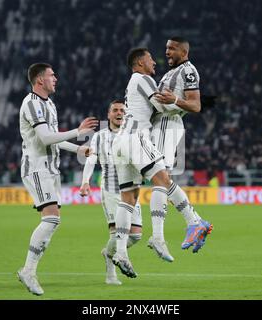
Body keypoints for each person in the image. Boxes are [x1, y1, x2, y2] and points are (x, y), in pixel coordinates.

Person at [111, 48, 211, 278]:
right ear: (138, 63)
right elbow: (162, 106)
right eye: (149, 59)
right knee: (162, 179)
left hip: (120, 142)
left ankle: (121, 253)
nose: (154, 62)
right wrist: (187, 103)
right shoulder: (143, 78)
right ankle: (161, 235)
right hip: (136, 137)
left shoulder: (135, 80)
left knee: (128, 198)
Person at [17, 62, 98, 295]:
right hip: (36, 167)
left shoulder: (49, 104)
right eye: (52, 75)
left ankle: (29, 270)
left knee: (53, 221)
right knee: (51, 219)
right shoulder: (32, 103)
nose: (56, 78)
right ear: (40, 80)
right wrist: (78, 132)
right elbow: (44, 139)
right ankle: (28, 271)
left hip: (51, 169)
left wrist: (77, 149)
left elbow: (53, 137)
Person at [152, 37, 213, 252]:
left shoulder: (188, 71)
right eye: (166, 47)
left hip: (167, 126)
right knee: (161, 178)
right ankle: (195, 222)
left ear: (184, 51)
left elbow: (196, 105)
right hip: (160, 126)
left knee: (159, 178)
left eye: (172, 48)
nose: (167, 52)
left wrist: (175, 101)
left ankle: (166, 233)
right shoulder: (171, 72)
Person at [80, 100, 142, 285]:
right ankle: (110, 275)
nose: (118, 113)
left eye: (122, 110)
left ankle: (108, 253)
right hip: (111, 191)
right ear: (108, 115)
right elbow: (91, 159)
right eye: (115, 110)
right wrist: (85, 182)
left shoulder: (133, 135)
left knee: (136, 235)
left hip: (131, 190)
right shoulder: (99, 136)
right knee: (116, 234)